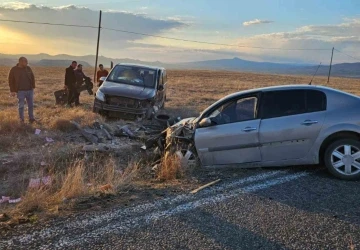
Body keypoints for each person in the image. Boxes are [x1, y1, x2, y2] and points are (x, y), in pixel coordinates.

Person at [8, 57, 36, 123]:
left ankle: (31, 118)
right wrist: (12, 91)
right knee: (21, 106)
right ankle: (21, 119)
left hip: (30, 90)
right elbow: (10, 80)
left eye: (27, 61)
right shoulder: (14, 69)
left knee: (31, 105)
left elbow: (32, 77)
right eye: (25, 61)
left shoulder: (28, 68)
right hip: (20, 91)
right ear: (20, 62)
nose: (27, 63)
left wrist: (33, 86)